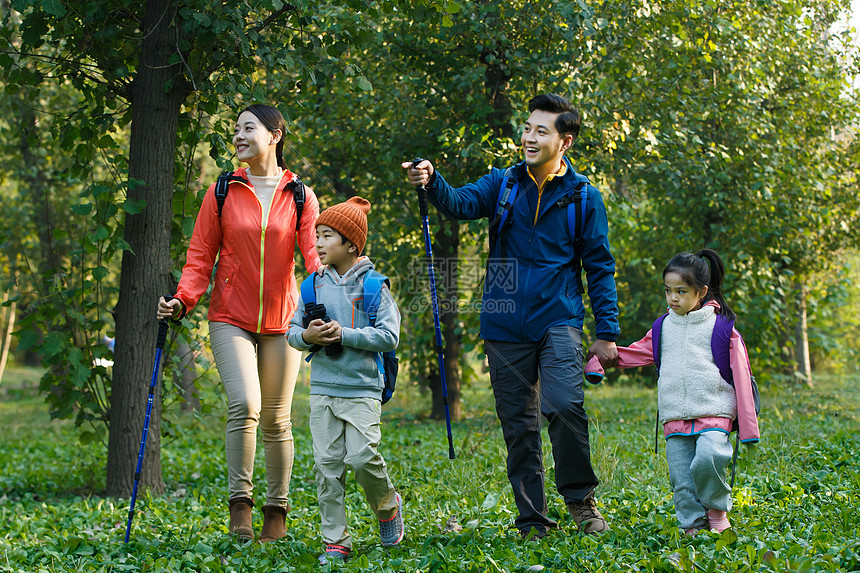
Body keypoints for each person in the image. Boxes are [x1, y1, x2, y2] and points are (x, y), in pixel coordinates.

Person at [401, 94, 620, 538]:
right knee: (519, 425)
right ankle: (532, 519)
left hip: (558, 315)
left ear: (565, 140)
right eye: (527, 128)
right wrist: (432, 179)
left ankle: (580, 501)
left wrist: (607, 330)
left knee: (563, 405)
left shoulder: (583, 198)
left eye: (542, 130)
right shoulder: (502, 183)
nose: (530, 137)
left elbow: (599, 266)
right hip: (503, 319)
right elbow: (460, 203)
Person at [156, 104, 320, 543]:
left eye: (248, 127)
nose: (238, 135)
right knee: (245, 404)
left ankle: (276, 512)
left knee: (277, 420)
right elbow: (199, 257)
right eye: (235, 129)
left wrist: (337, 292)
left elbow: (314, 258)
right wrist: (181, 300)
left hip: (282, 319)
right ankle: (240, 507)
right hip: (230, 316)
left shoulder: (300, 195)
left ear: (275, 135)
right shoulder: (223, 191)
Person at [585, 250, 760, 534]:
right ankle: (691, 524)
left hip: (714, 411)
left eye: (681, 291)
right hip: (674, 415)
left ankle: (716, 511)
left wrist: (749, 428)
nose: (673, 298)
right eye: (668, 291)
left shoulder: (721, 327)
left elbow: (742, 377)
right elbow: (636, 352)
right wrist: (602, 360)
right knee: (681, 478)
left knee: (709, 457)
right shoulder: (663, 328)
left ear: (701, 292)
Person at [286, 196, 403, 564]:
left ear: (351, 244)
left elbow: (390, 336)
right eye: (317, 235)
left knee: (363, 456)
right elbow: (291, 331)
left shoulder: (373, 286)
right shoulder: (311, 287)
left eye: (326, 236)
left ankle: (387, 506)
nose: (318, 243)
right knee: (327, 465)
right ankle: (335, 539)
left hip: (362, 387)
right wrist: (309, 337)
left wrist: (346, 334)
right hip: (323, 388)